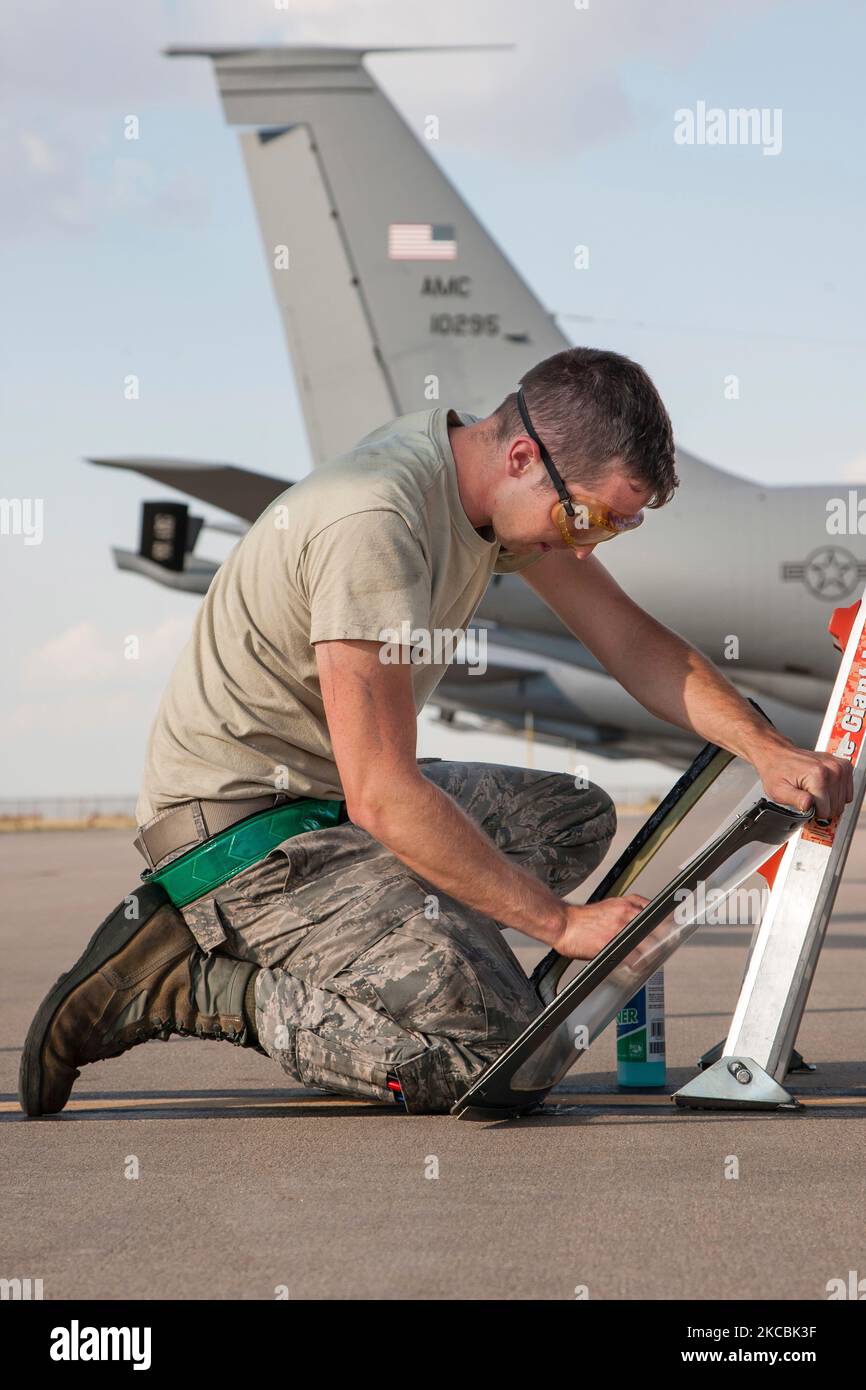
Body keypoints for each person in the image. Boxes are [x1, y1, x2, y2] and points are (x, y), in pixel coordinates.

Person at [20, 348, 852, 1117]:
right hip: (244, 838)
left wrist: (766, 750)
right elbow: (383, 793)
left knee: (571, 817)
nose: (591, 544)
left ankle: (399, 950)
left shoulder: (489, 497)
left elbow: (632, 643)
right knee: (497, 1059)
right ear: (524, 456)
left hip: (324, 800)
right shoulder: (375, 522)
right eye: (590, 521)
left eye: (616, 529)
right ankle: (196, 979)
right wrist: (559, 924)